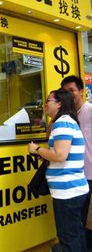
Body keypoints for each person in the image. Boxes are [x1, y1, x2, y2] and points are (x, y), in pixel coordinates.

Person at [28, 89, 89, 252]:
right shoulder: (66, 121)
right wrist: (47, 154)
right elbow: (61, 155)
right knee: (75, 235)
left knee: (68, 239)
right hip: (72, 190)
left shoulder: (62, 122)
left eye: (48, 101)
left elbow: (60, 155)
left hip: (68, 192)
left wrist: (37, 149)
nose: (45, 104)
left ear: (59, 104)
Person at [61, 75, 92, 248]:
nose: (69, 95)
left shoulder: (89, 110)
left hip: (91, 175)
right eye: (65, 92)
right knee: (80, 223)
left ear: (81, 91)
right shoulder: (68, 116)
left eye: (72, 90)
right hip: (77, 178)